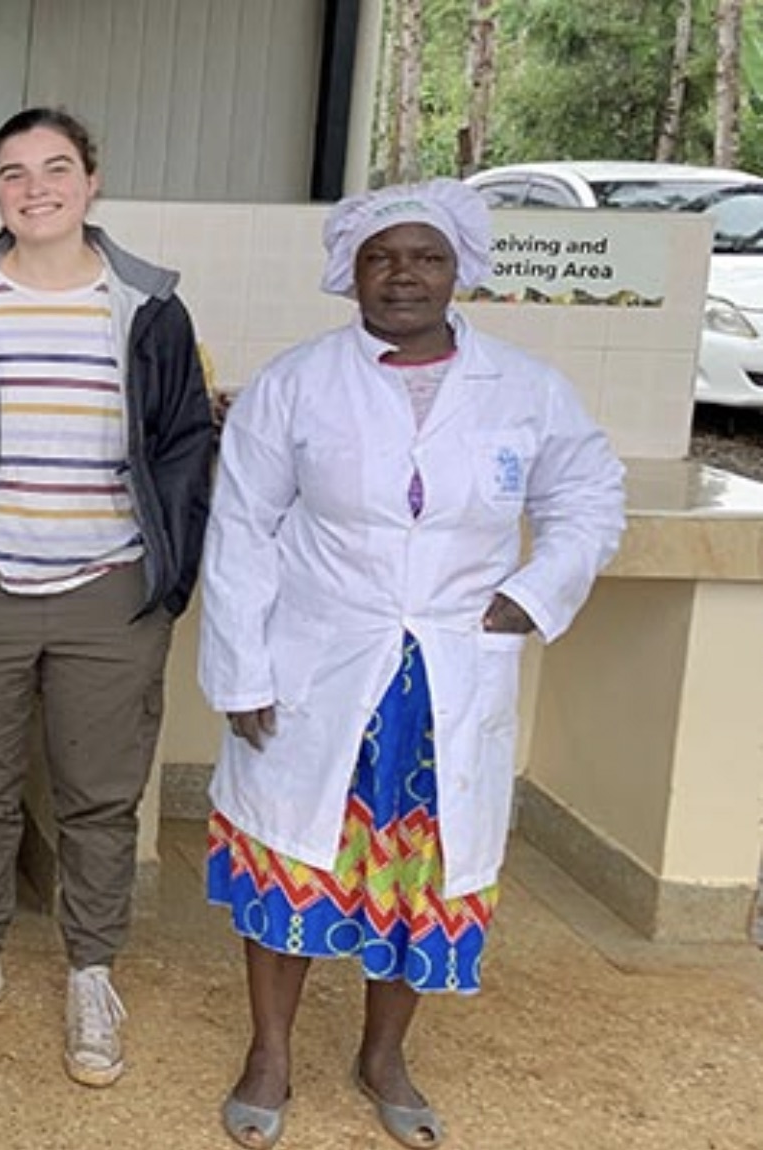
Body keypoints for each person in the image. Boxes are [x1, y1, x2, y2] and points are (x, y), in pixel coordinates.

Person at [200, 180, 624, 1150]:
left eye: (423, 256)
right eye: (380, 257)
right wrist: (241, 672)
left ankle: (382, 1055)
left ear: (457, 269)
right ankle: (268, 1051)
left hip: (445, 675)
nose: (402, 275)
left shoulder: (523, 388)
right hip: (315, 664)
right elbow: (239, 531)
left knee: (418, 876)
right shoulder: (296, 382)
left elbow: (589, 495)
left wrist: (534, 588)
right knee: (287, 861)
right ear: (350, 272)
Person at [0, 108, 215, 1086]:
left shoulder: (144, 307)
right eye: (14, 172)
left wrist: (167, 572)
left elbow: (184, 444)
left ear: (90, 179)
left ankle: (89, 970)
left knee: (98, 796)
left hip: (108, 591)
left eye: (55, 168)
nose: (36, 187)